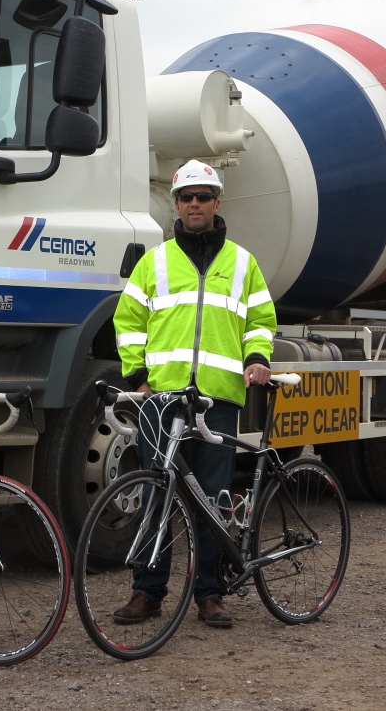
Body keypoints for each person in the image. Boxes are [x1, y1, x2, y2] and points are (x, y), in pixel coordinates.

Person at [111, 159, 276, 629]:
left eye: (204, 196)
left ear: (217, 202)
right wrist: (137, 377)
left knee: (213, 499)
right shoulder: (155, 261)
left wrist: (257, 359)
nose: (195, 204)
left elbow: (261, 320)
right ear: (177, 204)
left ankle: (210, 593)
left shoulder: (242, 263)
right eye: (187, 197)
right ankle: (148, 592)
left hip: (218, 401)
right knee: (154, 495)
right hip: (160, 400)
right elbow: (128, 321)